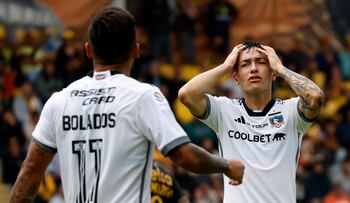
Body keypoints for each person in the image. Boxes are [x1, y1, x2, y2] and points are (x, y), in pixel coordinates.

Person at [9, 6, 245, 203]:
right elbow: (185, 157)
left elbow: (29, 171)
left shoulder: (59, 101)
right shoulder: (142, 97)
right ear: (136, 50)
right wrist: (225, 166)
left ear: (88, 51)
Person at [178, 40, 325, 202]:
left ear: (273, 73)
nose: (254, 68)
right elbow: (186, 94)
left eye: (261, 62)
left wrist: (281, 69)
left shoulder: (291, 112)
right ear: (236, 77)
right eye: (245, 64)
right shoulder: (224, 110)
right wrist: (225, 67)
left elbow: (315, 97)